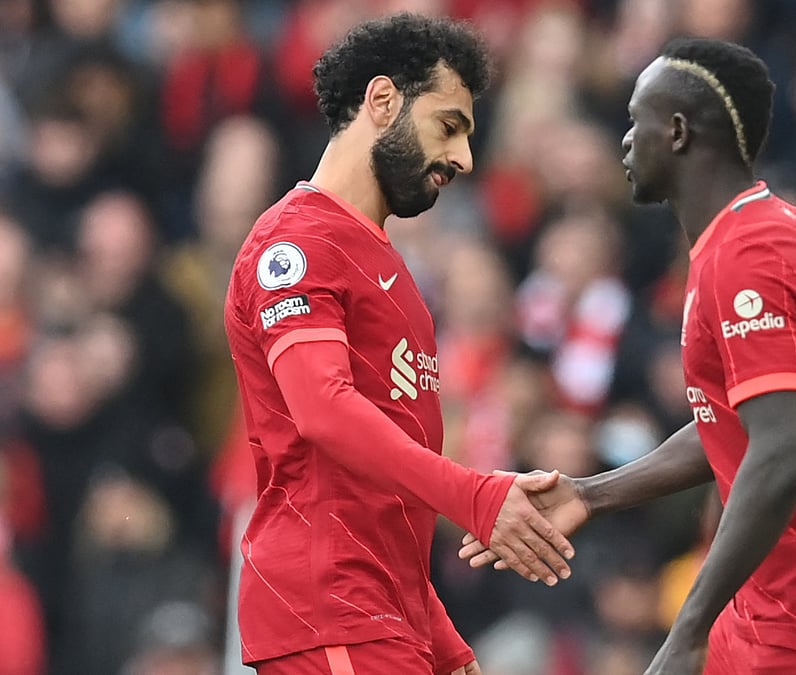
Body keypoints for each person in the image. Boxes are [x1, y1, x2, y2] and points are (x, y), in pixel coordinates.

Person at [461, 37, 796, 674]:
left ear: (677, 132)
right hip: (775, 604)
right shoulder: (762, 229)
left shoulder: (747, 255)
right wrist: (591, 494)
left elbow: (781, 454)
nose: (625, 141)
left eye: (636, 121)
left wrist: (687, 630)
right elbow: (734, 425)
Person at [223, 14, 575, 675]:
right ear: (382, 101)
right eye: (449, 126)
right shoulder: (296, 244)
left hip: (380, 614)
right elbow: (323, 411)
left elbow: (378, 492)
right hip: (330, 608)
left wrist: (435, 630)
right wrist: (476, 497)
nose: (464, 159)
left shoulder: (384, 262)